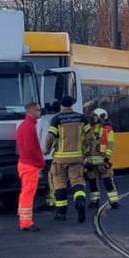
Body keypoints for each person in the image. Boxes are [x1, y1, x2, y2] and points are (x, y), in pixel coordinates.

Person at [43, 95, 91, 223]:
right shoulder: (81, 118)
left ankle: (61, 213)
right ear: (71, 104)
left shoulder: (56, 119)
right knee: (77, 182)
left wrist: (46, 150)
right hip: (76, 157)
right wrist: (84, 150)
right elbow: (90, 136)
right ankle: (80, 202)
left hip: (60, 159)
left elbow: (49, 137)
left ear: (61, 105)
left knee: (59, 184)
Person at [16, 102, 45, 232]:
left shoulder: (24, 126)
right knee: (28, 192)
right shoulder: (29, 127)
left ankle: (23, 216)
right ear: (31, 111)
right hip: (30, 165)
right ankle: (26, 222)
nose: (40, 112)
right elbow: (31, 148)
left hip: (25, 163)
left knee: (25, 192)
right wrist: (40, 162)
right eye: (38, 110)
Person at [85, 107, 120, 209]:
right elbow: (85, 145)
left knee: (108, 182)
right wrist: (85, 159)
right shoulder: (90, 130)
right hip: (91, 162)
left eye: (95, 116)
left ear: (101, 117)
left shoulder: (108, 131)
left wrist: (107, 158)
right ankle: (94, 201)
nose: (94, 118)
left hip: (103, 162)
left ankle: (113, 201)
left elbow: (110, 145)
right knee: (92, 184)